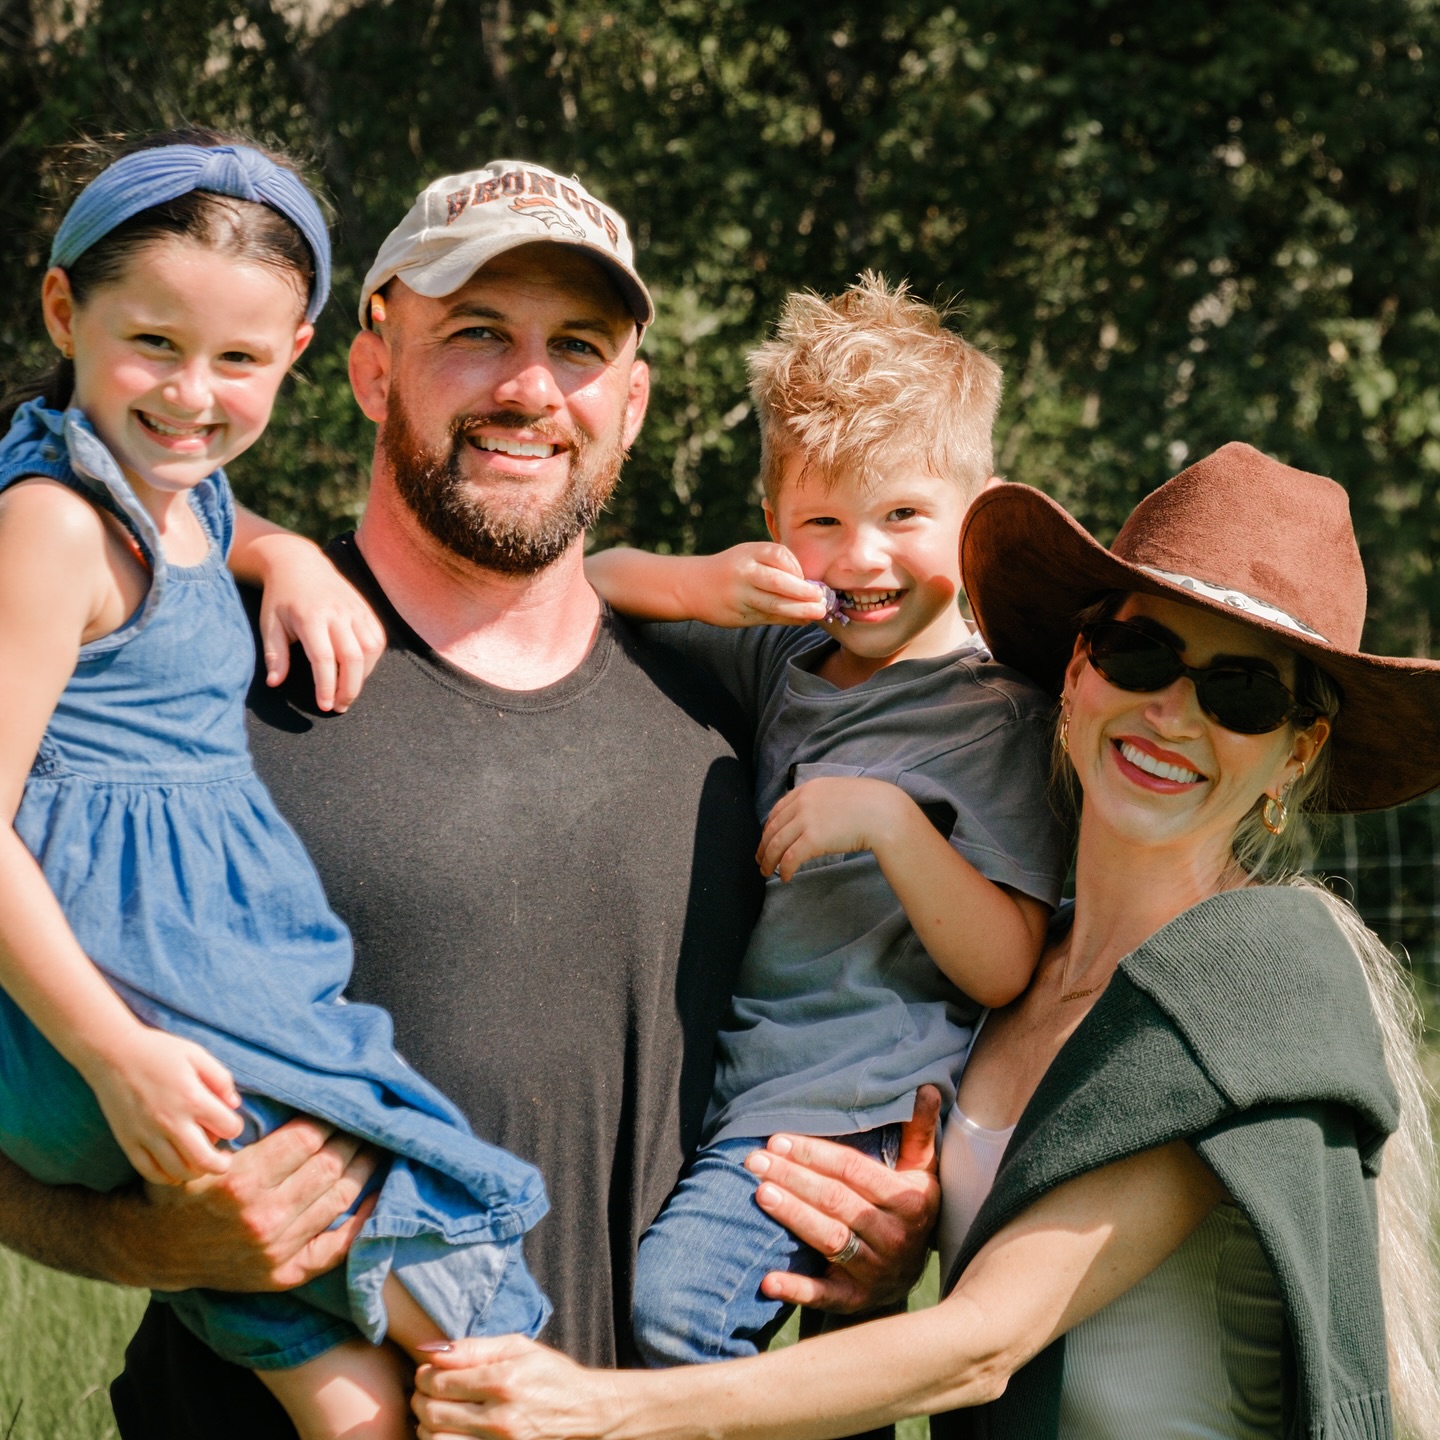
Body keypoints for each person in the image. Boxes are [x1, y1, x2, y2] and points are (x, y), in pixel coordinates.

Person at [0, 158, 934, 1439]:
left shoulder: (756, 705)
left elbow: (891, 1013)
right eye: (477, 334)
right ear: (372, 366)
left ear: (637, 400)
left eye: (580, 347)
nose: (530, 388)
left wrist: (890, 1219)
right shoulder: (199, 670)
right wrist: (144, 1239)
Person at [407, 442, 1440, 1440]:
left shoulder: (1262, 961)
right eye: (1140, 653)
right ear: (1076, 676)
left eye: (1243, 692)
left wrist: (596, 1411)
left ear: (1297, 752)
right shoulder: (1005, 988)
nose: (1172, 712)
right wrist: (880, 1261)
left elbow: (986, 1341)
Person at [0, 132, 570, 1440]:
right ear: (59, 308)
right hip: (150, 1012)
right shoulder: (50, 524)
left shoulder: (172, 494)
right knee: (486, 1337)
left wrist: (287, 555)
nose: (194, 395)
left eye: (240, 361)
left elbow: (198, 517)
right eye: (154, 342)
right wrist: (116, 1051)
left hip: (161, 1009)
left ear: (297, 354)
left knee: (362, 1409)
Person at [585, 274, 1067, 1364]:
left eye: (904, 514)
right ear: (774, 526)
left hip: (856, 1102)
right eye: (823, 521)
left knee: (672, 1315)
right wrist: (705, 583)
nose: (861, 559)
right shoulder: (784, 657)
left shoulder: (996, 715)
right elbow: (595, 582)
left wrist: (894, 824)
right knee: (827, 1394)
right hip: (746, 1085)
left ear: (978, 513)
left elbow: (1002, 964)